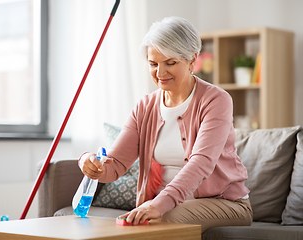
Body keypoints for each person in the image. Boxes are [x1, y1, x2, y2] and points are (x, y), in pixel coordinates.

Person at [78, 16, 253, 233]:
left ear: (192, 60)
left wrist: (157, 204)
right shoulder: (145, 107)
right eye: (153, 64)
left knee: (162, 220)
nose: (160, 73)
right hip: (165, 204)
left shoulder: (216, 100)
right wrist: (89, 162)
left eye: (170, 63)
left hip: (225, 203)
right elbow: (114, 167)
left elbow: (201, 163)